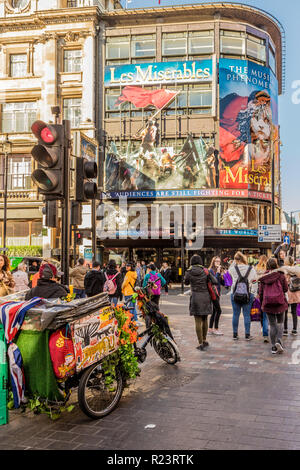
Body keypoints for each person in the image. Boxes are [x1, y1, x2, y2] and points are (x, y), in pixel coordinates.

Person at [184, 254, 218, 351]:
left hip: (195, 297)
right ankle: (204, 339)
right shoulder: (205, 271)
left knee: (197, 321)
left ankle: (200, 342)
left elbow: (186, 282)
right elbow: (215, 281)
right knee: (205, 319)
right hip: (206, 297)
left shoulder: (189, 271)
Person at [259, 257, 288, 354]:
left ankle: (273, 347)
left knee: (272, 325)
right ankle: (279, 341)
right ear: (276, 265)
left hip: (268, 304)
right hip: (280, 303)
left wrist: (262, 303)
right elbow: (285, 289)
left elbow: (261, 292)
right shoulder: (281, 275)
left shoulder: (264, 276)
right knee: (280, 323)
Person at [229, 251, 258, 341]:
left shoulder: (233, 269)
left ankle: (235, 334)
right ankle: (247, 335)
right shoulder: (251, 269)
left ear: (236, 260)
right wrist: (254, 293)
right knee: (246, 315)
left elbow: (228, 272)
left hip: (235, 294)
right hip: (248, 295)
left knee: (235, 314)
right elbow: (255, 282)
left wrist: (234, 262)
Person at [282, 256, 300, 336]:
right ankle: (295, 329)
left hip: (286, 293)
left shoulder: (285, 271)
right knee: (294, 311)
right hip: (295, 293)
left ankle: (285, 329)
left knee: (285, 311)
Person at [208, 256, 225, 336]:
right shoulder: (210, 271)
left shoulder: (218, 271)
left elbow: (222, 283)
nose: (218, 263)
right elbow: (214, 281)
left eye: (219, 261)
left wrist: (224, 276)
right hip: (213, 293)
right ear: (213, 262)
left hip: (218, 293)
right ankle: (216, 329)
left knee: (214, 311)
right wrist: (218, 273)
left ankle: (210, 328)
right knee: (219, 310)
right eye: (216, 261)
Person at [255, 255, 269, 342]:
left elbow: (254, 281)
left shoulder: (256, 268)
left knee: (261, 310)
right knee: (266, 312)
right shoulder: (268, 270)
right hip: (267, 292)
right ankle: (266, 327)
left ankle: (262, 327)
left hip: (259, 292)